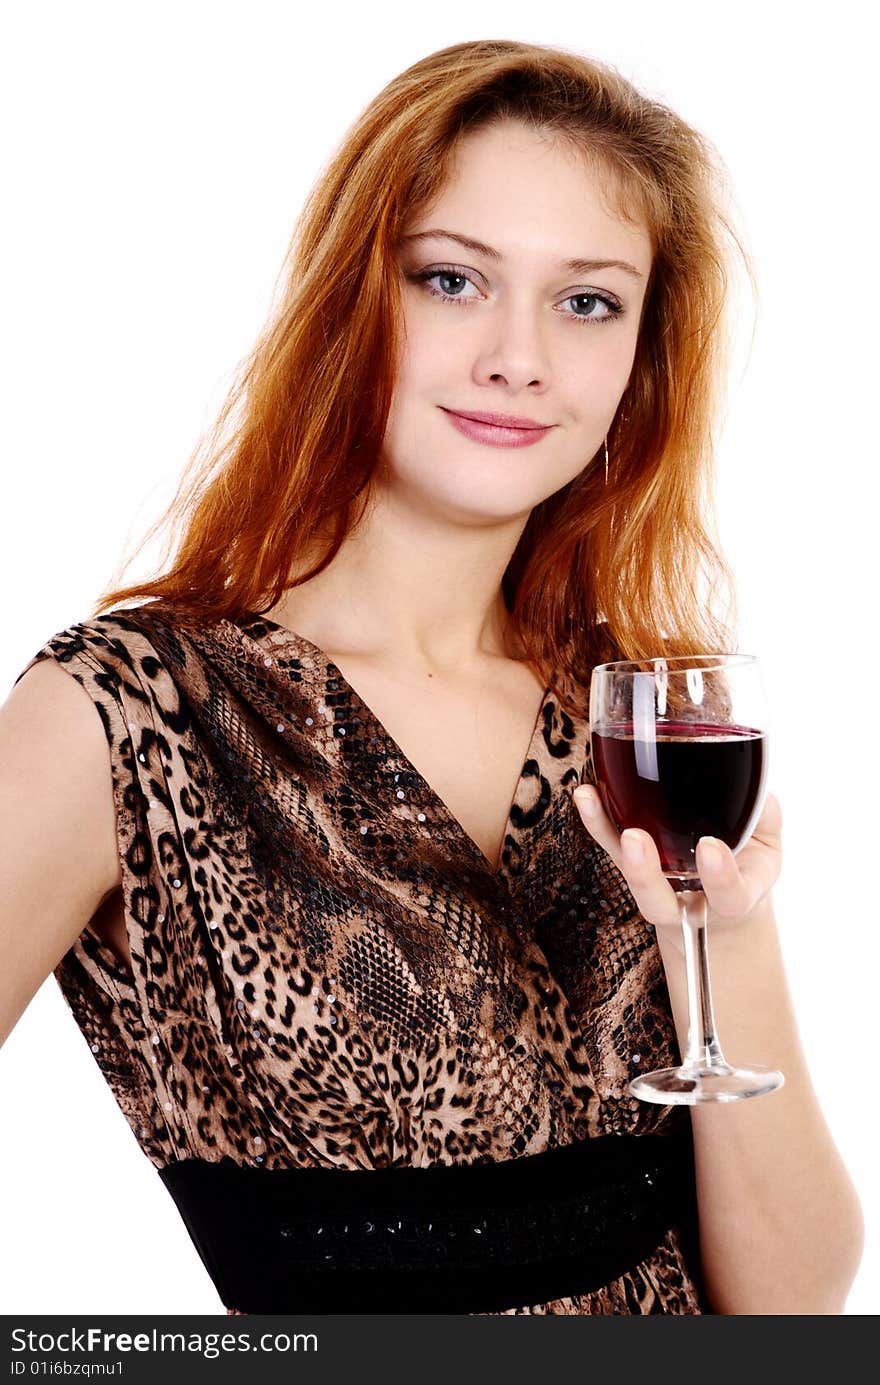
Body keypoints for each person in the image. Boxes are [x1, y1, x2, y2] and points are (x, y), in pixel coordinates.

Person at [0, 38, 863, 1316]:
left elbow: (791, 1309)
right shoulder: (131, 714)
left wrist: (720, 937)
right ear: (355, 304)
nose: (520, 357)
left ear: (638, 361)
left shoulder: (623, 717)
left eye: (587, 302)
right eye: (453, 280)